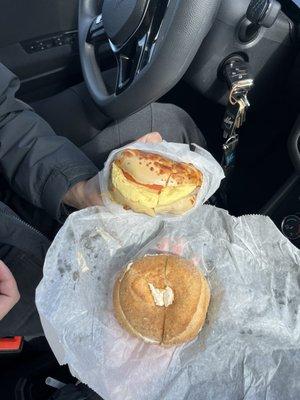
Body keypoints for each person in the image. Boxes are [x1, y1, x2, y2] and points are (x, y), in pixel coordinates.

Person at [0, 62, 205, 337]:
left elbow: (3, 113)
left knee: (172, 126)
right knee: (111, 330)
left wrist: (78, 188)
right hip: (17, 291)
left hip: (13, 179)